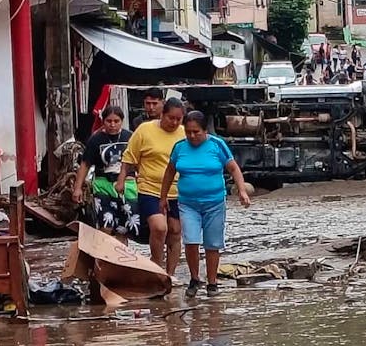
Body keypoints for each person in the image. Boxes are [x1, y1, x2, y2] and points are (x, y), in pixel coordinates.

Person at [160, 111, 251, 298]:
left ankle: (212, 282)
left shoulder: (217, 145)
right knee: (191, 241)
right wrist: (163, 198)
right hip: (187, 203)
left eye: (196, 132)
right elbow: (169, 173)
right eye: (188, 132)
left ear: (205, 130)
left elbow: (233, 168)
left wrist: (241, 190)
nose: (192, 136)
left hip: (214, 203)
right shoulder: (179, 147)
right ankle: (194, 279)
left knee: (212, 243)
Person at [117, 97, 187, 281]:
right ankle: (156, 266)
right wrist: (121, 181)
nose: (174, 122)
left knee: (175, 230)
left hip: (177, 191)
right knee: (159, 227)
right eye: (171, 118)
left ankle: (169, 275)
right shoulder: (145, 130)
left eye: (178, 119)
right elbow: (128, 158)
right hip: (150, 188)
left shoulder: (185, 134)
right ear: (162, 114)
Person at [73, 106, 139, 244]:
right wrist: (78, 188)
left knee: (124, 227)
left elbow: (140, 161)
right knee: (105, 224)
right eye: (109, 121)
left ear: (122, 121)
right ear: (103, 121)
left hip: (127, 185)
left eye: (116, 121)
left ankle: (121, 259)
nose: (113, 125)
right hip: (103, 184)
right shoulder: (95, 140)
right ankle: (103, 258)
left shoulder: (131, 137)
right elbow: (85, 164)